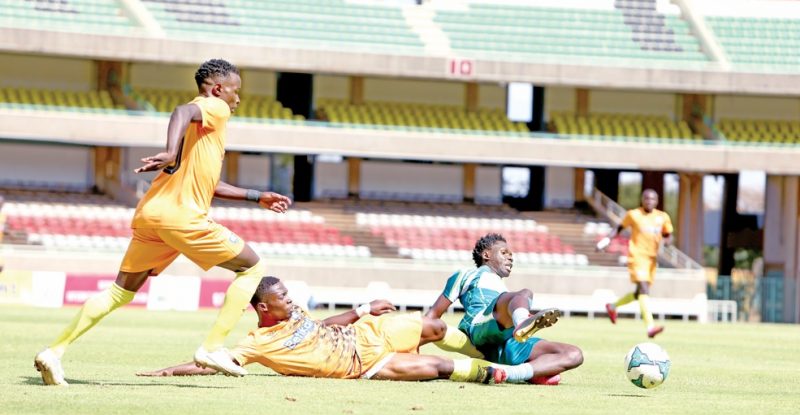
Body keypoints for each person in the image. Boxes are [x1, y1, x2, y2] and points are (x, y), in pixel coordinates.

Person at [34, 59, 292, 386]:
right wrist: (170, 151)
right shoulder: (214, 108)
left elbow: (209, 183)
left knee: (119, 293)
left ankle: (54, 352)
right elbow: (181, 111)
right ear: (217, 89)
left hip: (151, 214)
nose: (237, 99)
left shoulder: (201, 131)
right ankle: (212, 347)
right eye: (235, 91)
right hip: (182, 217)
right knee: (252, 268)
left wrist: (257, 196)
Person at [137, 276, 510, 385]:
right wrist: (168, 370)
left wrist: (362, 310)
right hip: (364, 364)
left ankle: (487, 352)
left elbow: (322, 326)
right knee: (440, 368)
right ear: (264, 307)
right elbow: (213, 362)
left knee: (435, 326)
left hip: (367, 332)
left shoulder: (295, 312)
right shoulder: (258, 343)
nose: (291, 298)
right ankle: (501, 373)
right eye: (283, 296)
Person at [426, 233, 584, 385]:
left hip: (506, 341)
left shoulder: (501, 288)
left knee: (574, 354)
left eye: (512, 256)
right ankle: (522, 322)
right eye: (504, 253)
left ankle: (511, 373)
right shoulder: (466, 274)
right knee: (524, 294)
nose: (510, 258)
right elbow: (432, 315)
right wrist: (413, 349)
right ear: (486, 255)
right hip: (479, 325)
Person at [596, 188, 673, 338]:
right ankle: (650, 327)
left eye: (652, 199)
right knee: (644, 290)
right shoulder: (634, 214)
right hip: (637, 257)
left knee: (639, 293)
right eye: (646, 198)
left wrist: (666, 243)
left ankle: (612, 307)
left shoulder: (662, 217)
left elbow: (668, 235)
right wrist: (606, 240)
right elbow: (618, 228)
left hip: (651, 260)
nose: (649, 201)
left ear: (656, 201)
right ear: (642, 200)